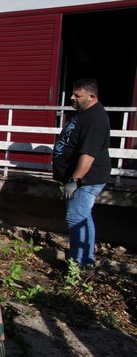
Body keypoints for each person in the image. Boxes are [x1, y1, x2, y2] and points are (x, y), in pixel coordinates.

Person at [52, 78, 111, 268]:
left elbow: (88, 154)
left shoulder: (95, 118)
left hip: (86, 179)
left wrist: (75, 180)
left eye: (78, 95)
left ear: (92, 97)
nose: (72, 98)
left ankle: (78, 264)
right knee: (81, 216)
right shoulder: (84, 114)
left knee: (77, 217)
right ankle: (84, 261)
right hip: (78, 178)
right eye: (73, 93)